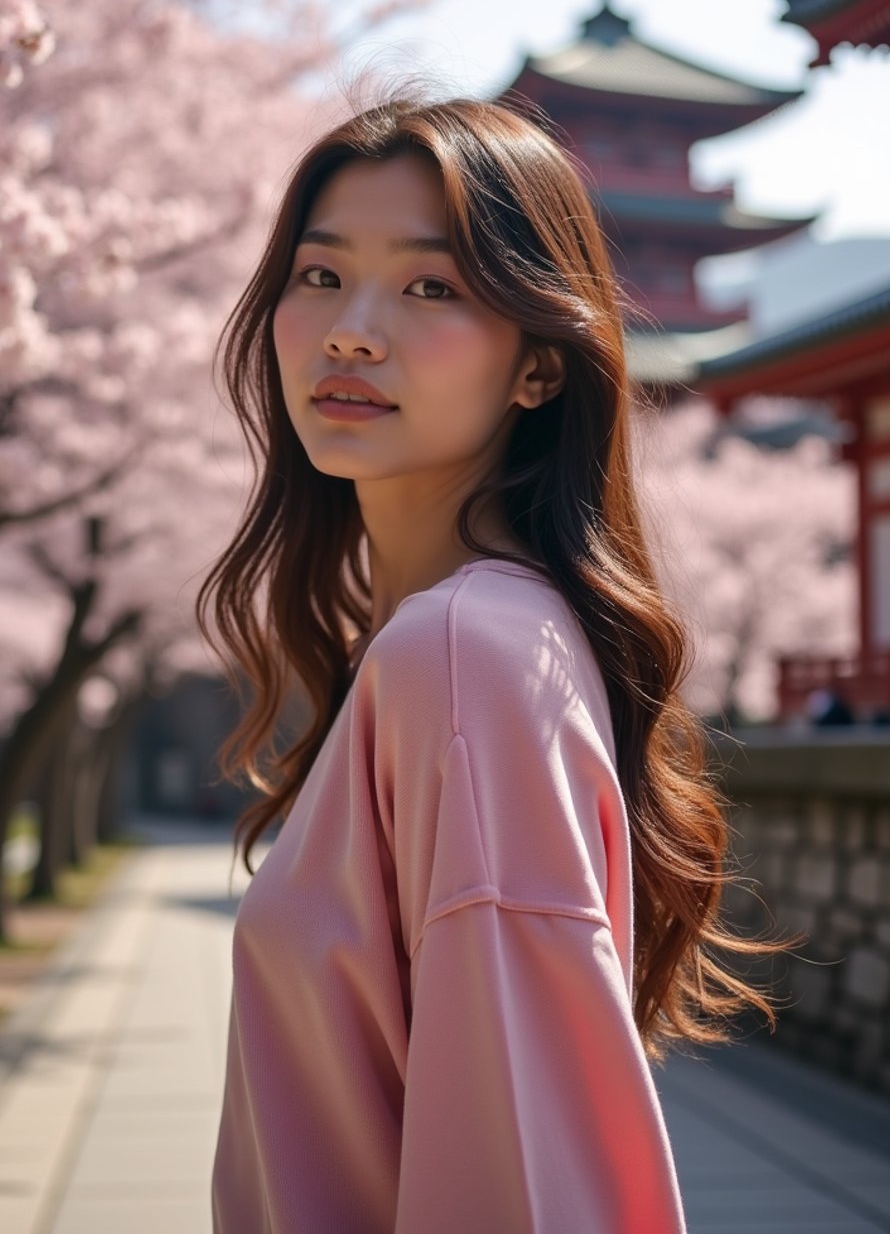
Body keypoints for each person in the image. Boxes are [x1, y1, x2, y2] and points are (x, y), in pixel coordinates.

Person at [200, 91, 797, 1233]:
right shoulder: (465, 642)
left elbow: (522, 1181)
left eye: (431, 287)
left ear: (538, 369)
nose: (350, 330)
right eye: (320, 275)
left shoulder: (464, 656)